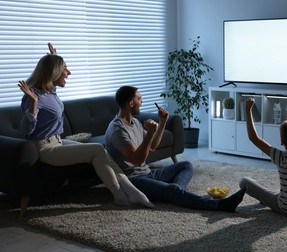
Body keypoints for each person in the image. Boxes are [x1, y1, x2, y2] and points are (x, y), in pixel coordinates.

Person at [18, 43, 154, 208]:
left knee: (102, 150)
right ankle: (120, 194)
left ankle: (131, 191)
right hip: (44, 149)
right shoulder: (33, 97)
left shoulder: (50, 91)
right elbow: (27, 131)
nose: (69, 73)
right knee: (96, 149)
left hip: (57, 141)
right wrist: (33, 105)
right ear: (54, 72)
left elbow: (47, 80)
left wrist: (53, 58)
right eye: (65, 69)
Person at [104, 85, 246, 212]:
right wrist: (151, 132)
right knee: (172, 190)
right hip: (133, 181)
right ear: (131, 103)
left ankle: (175, 193)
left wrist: (162, 122)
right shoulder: (118, 130)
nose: (142, 102)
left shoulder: (134, 122)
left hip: (148, 174)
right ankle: (220, 205)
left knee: (186, 166)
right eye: (139, 99)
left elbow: (152, 146)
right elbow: (137, 160)